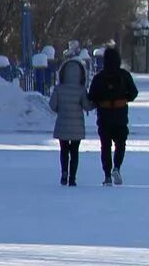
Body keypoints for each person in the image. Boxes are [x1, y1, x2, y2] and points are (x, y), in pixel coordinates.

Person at [86, 44, 138, 185]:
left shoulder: (99, 77)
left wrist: (100, 101)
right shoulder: (124, 75)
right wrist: (125, 98)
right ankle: (117, 167)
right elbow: (134, 93)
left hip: (104, 117)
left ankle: (107, 175)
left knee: (105, 146)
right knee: (120, 144)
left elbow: (91, 96)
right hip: (120, 116)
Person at [48, 57, 90, 186]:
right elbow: (87, 106)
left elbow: (52, 105)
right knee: (75, 152)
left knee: (64, 150)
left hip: (62, 124)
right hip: (77, 126)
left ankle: (64, 173)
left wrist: (60, 110)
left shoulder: (59, 89)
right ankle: (72, 177)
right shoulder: (81, 90)